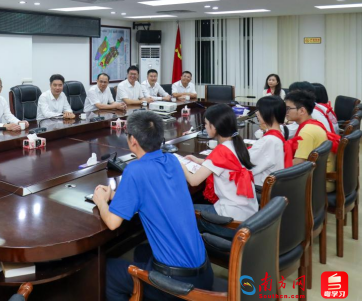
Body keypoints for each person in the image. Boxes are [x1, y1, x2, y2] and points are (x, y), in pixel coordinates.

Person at [93, 111, 213, 301]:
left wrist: (100, 201)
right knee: (141, 252)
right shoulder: (172, 160)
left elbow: (113, 223)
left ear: (133, 141)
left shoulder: (135, 170)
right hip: (205, 275)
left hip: (176, 287)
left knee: (106, 272)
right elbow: (153, 193)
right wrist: (117, 196)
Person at [180, 104, 258, 239]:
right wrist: (200, 161)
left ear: (214, 127)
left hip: (231, 223)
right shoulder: (236, 144)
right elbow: (226, 164)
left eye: (206, 124)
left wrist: (180, 164)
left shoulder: (221, 151)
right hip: (248, 216)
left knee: (180, 212)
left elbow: (194, 181)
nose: (205, 127)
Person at [285, 91, 340, 191]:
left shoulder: (307, 131)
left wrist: (277, 164)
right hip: (321, 178)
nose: (286, 112)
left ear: (302, 110)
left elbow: (299, 162)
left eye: (288, 108)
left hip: (318, 184)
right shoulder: (313, 124)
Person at [249, 96, 287, 185]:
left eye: (259, 110)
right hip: (274, 184)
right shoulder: (281, 132)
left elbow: (248, 163)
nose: (257, 113)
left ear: (269, 113)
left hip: (262, 187)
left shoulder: (269, 141)